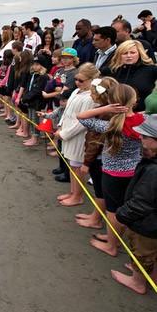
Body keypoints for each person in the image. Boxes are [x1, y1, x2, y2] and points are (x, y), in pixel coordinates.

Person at [78, 83, 143, 257]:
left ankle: (112, 246)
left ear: (112, 102)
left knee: (113, 211)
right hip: (134, 171)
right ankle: (113, 238)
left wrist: (106, 108)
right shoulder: (141, 122)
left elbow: (82, 117)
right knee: (123, 208)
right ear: (134, 100)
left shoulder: (110, 126)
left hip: (113, 173)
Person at [111, 114, 157, 294]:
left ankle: (137, 281)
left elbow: (143, 202)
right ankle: (151, 275)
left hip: (147, 223)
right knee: (152, 251)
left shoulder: (154, 171)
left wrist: (123, 214)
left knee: (142, 251)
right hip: (152, 222)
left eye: (145, 137)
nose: (140, 139)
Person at [74, 77, 116, 230]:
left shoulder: (105, 114)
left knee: (100, 190)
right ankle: (95, 215)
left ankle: (96, 219)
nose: (91, 95)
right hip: (99, 156)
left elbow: (96, 142)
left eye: (93, 93)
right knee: (99, 189)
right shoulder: (106, 111)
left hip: (98, 158)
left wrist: (86, 162)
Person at [55, 63, 100, 206]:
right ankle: (72, 192)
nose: (77, 82)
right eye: (76, 79)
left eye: (81, 80)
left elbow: (83, 122)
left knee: (77, 167)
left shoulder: (91, 98)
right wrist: (60, 125)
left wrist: (65, 134)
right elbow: (67, 110)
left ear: (92, 80)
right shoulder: (76, 91)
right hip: (67, 132)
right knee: (71, 164)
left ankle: (78, 196)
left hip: (79, 137)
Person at [21, 55, 50, 147]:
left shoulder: (43, 77)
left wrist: (26, 98)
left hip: (37, 102)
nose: (34, 66)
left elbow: (37, 91)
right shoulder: (33, 74)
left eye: (37, 64)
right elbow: (29, 87)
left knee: (35, 120)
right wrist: (25, 96)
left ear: (42, 66)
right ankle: (33, 136)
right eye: (33, 64)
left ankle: (35, 138)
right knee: (30, 118)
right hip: (30, 101)